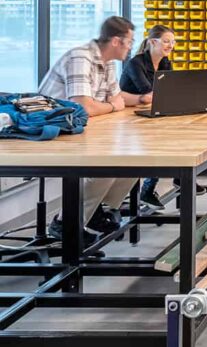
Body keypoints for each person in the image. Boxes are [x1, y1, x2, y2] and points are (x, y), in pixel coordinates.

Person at [38, 16, 152, 244]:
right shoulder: (81, 57)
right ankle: (66, 221)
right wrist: (112, 105)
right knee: (107, 165)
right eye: (129, 41)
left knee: (140, 160)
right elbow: (82, 107)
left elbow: (118, 98)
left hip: (84, 129)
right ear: (117, 41)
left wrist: (141, 99)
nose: (131, 47)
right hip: (53, 131)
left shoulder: (107, 62)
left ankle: (98, 211)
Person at [119, 25, 205, 210]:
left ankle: (182, 178)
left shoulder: (165, 62)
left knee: (186, 130)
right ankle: (148, 190)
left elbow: (168, 90)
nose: (170, 46)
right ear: (152, 42)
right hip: (128, 116)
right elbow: (147, 91)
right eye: (166, 41)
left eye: (173, 42)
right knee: (160, 140)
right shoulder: (136, 63)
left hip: (151, 112)